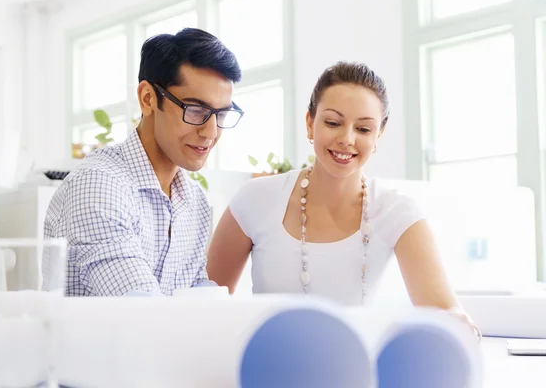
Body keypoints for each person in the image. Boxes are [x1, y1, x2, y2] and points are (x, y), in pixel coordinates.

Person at [207, 61, 480, 338]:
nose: (347, 139)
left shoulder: (396, 211)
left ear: (378, 137)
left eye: (363, 129)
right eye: (333, 123)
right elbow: (206, 308)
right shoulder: (255, 199)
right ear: (310, 123)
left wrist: (456, 323)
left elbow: (445, 314)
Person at [44, 28, 243, 297]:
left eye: (221, 114)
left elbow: (195, 294)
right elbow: (139, 311)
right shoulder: (99, 185)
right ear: (148, 98)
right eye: (195, 111)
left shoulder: (193, 200)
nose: (210, 132)